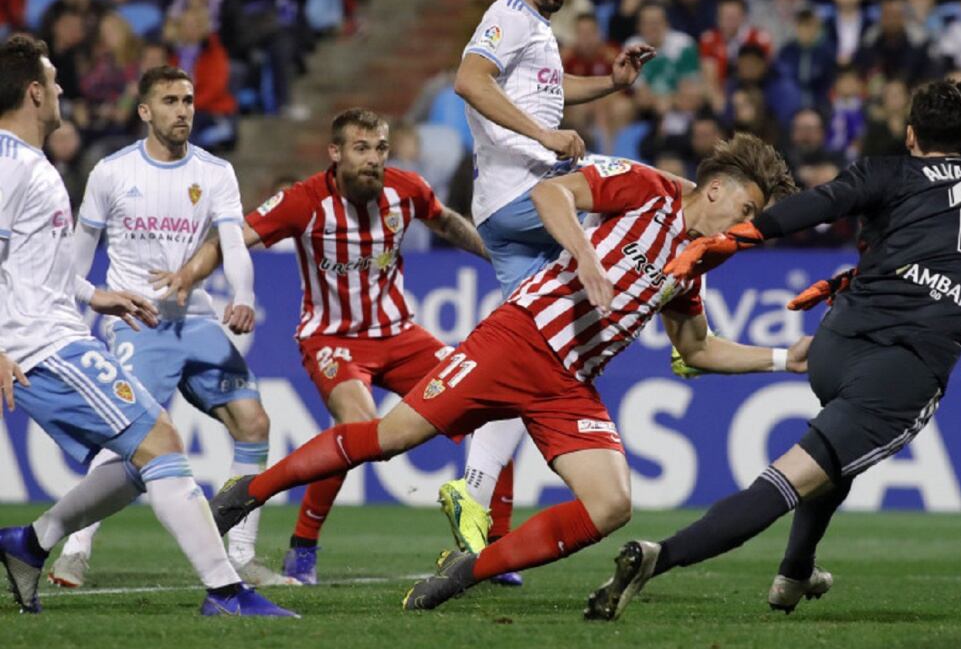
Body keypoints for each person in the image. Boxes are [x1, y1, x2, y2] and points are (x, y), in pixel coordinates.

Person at [206, 136, 809, 613]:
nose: (746, 227)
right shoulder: (646, 187)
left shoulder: (693, 264)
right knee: (393, 438)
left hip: (568, 383)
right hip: (517, 340)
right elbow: (552, 197)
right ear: (716, 190)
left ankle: (468, 570)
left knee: (611, 505)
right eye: (747, 210)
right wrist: (586, 256)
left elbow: (697, 349)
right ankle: (247, 493)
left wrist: (785, 359)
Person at [584, 79, 961, 621]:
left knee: (837, 454)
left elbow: (820, 203)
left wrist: (740, 237)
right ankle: (657, 557)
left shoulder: (884, 172)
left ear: (910, 136)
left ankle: (794, 573)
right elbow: (948, 253)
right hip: (903, 364)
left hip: (834, 344)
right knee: (789, 480)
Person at [0, 36, 293, 617]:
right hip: (40, 344)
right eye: (54, 80)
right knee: (158, 443)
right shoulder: (22, 169)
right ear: (35, 92)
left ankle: (29, 544)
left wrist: (97, 295)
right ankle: (225, 591)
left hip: (65, 331)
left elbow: (40, 268)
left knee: (149, 449)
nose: (62, 90)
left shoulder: (34, 166)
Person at [153, 108, 490, 586]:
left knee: (485, 400)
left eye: (380, 149)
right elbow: (233, 237)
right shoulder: (304, 201)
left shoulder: (406, 189)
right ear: (335, 153)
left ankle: (488, 547)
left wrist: (493, 257)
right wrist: (188, 275)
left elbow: (446, 221)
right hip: (333, 339)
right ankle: (304, 545)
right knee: (360, 430)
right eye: (361, 149)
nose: (373, 160)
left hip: (401, 334)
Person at [442, 0, 655, 582]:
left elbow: (547, 90)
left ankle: (472, 501)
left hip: (507, 205)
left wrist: (609, 84)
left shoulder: (535, 27)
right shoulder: (507, 16)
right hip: (524, 196)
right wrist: (545, 134)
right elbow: (469, 80)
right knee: (640, 193)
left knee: (537, 358)